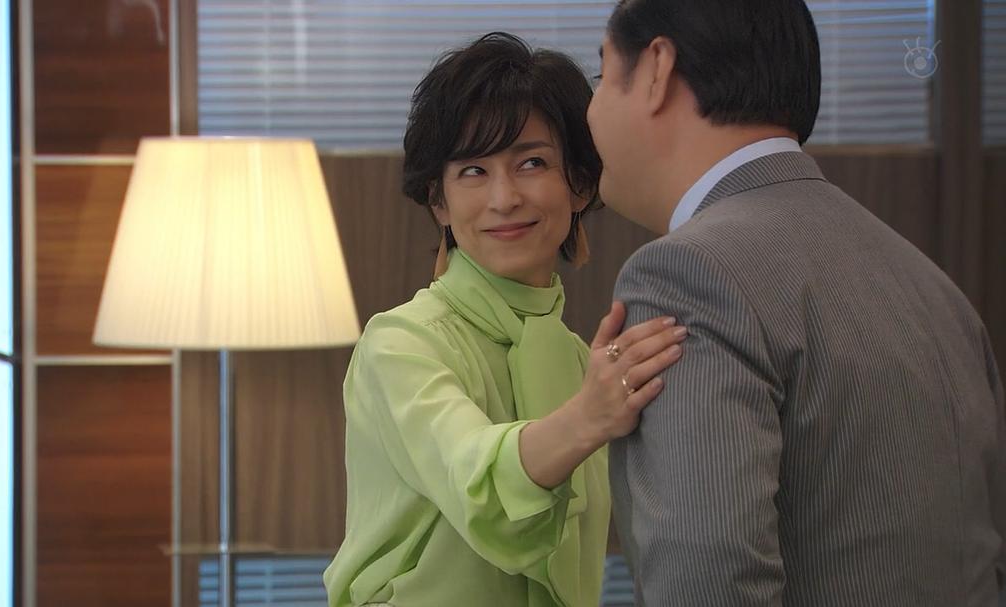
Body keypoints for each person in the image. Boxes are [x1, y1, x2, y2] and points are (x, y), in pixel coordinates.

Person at [587, 0, 1006, 605]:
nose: (591, 109)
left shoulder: (685, 274)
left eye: (602, 75)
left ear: (657, 69)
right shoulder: (934, 287)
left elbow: (706, 579)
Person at [323, 32, 687, 607]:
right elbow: (478, 486)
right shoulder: (402, 343)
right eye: (473, 170)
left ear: (579, 184)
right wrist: (588, 418)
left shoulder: (583, 363)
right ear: (439, 201)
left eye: (532, 163)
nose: (504, 198)